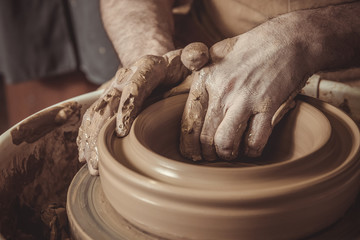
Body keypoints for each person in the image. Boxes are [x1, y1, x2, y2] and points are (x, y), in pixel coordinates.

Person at [77, 0, 360, 175]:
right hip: (207, 54)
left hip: (347, 67)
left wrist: (302, 38)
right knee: (111, 138)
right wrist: (153, 54)